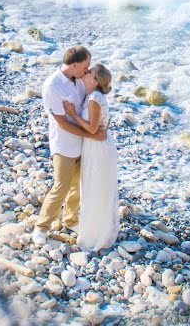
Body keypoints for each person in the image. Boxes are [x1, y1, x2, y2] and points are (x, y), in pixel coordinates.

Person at [33, 46, 106, 246]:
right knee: (61, 185)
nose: (87, 70)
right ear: (74, 65)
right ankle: (41, 226)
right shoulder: (53, 86)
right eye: (85, 66)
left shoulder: (80, 80)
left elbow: (93, 101)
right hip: (63, 144)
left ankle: (71, 220)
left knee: (77, 185)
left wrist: (97, 131)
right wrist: (93, 134)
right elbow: (63, 123)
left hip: (83, 144)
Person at [63, 63, 119, 251]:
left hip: (98, 148)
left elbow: (93, 128)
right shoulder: (94, 96)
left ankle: (96, 232)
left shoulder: (94, 98)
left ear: (95, 81)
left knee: (95, 187)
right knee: (94, 186)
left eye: (90, 72)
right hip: (97, 144)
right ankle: (94, 226)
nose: (86, 72)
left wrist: (72, 114)